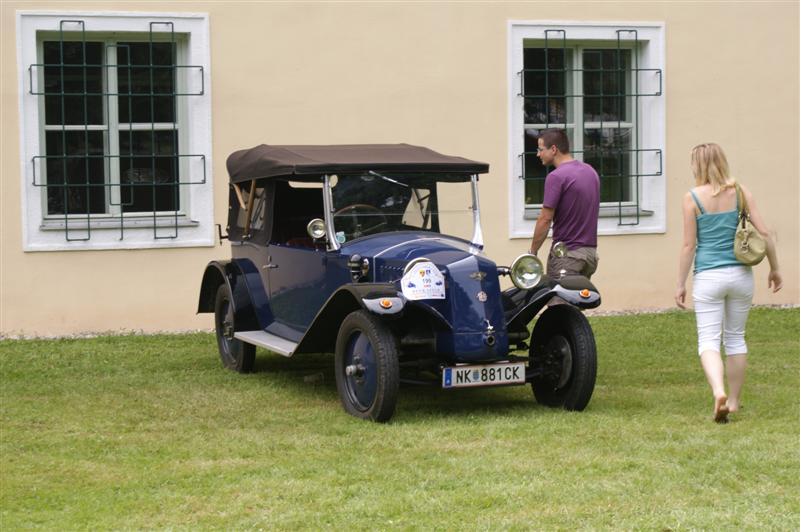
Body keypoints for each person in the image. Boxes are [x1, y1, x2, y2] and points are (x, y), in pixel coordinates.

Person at [675, 142, 782, 423]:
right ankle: (733, 402)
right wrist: (775, 269)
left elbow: (688, 246)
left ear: (697, 166)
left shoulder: (691, 198)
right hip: (740, 275)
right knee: (735, 338)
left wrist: (680, 284)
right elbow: (765, 233)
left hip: (708, 276)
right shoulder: (742, 192)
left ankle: (718, 391)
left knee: (708, 340)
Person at [528, 128, 600, 279]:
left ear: (553, 149)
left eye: (540, 149)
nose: (538, 154)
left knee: (559, 302)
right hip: (590, 256)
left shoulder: (556, 176)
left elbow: (545, 219)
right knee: (578, 301)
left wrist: (532, 253)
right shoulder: (590, 171)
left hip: (567, 257)